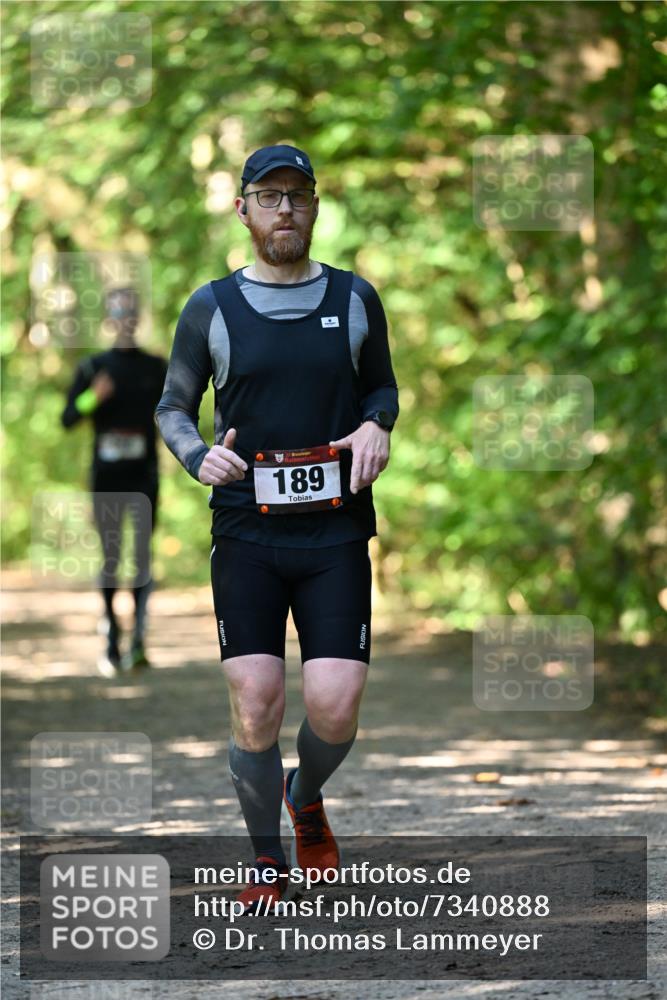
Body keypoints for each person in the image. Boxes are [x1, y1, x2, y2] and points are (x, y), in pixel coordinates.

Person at [156, 144, 399, 912]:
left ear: (315, 205)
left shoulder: (356, 298)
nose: (284, 209)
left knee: (333, 704)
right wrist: (198, 458)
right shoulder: (211, 308)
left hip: (334, 535)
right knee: (256, 701)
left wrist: (376, 427)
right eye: (268, 196)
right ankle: (266, 858)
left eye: (296, 194)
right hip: (247, 536)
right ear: (243, 210)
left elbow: (381, 388)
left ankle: (306, 793)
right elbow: (173, 406)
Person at [61, 287, 168, 674]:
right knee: (111, 555)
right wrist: (93, 397)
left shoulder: (156, 367)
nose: (124, 320)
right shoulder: (93, 369)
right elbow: (69, 418)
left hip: (144, 476)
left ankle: (138, 637)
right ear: (109, 320)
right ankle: (110, 635)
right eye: (117, 313)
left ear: (137, 319)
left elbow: (177, 411)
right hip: (106, 477)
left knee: (140, 556)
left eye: (130, 313)